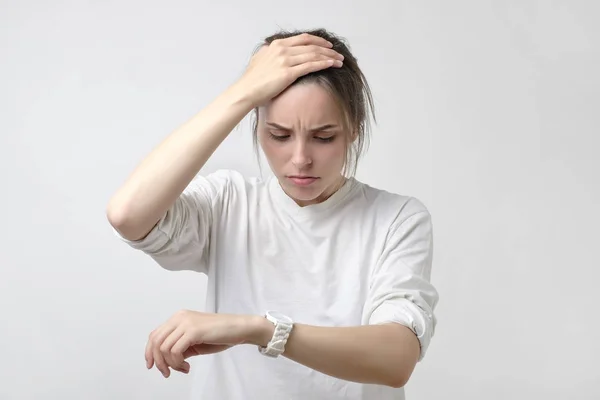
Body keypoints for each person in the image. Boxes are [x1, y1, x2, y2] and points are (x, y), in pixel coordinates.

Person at [107, 28, 439, 400]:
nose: (300, 159)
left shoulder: (396, 219)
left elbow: (395, 360)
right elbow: (127, 214)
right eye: (279, 135)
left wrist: (260, 330)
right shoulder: (229, 202)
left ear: (354, 130)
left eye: (324, 136)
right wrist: (244, 91)